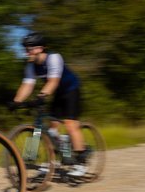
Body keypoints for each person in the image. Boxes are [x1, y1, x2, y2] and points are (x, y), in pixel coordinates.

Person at [9, 32, 89, 178]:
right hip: (56, 93)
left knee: (70, 124)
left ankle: (81, 162)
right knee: (51, 129)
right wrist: (16, 102)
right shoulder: (31, 66)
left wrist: (41, 96)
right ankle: (57, 157)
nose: (26, 52)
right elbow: (27, 85)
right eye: (25, 49)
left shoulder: (54, 58)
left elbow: (53, 81)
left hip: (71, 90)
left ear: (40, 48)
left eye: (29, 49)